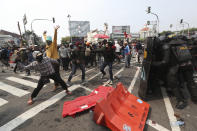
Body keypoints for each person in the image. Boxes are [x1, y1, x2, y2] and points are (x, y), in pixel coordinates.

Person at [45, 25, 60, 90]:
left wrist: (55, 30)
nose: (47, 42)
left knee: (54, 74)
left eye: (48, 41)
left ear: (51, 41)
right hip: (50, 61)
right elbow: (45, 37)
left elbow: (55, 38)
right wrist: (44, 34)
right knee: (56, 74)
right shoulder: (47, 45)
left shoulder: (53, 44)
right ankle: (58, 83)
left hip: (55, 61)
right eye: (47, 41)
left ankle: (56, 85)